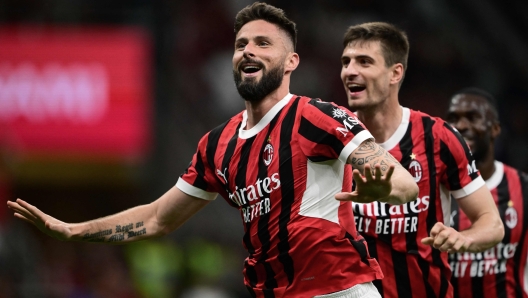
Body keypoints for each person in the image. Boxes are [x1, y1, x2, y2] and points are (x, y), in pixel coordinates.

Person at [7, 3, 419, 297]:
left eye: (263, 43)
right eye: (241, 44)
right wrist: (74, 230)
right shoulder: (216, 146)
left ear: (291, 61)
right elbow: (155, 219)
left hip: (337, 291)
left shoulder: (316, 116)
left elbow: (403, 184)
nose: (248, 52)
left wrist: (380, 190)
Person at [339, 22, 504, 298]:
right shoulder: (332, 137)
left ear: (395, 73)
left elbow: (492, 223)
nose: (350, 71)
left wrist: (463, 238)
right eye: (346, 62)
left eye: (364, 62)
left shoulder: (438, 137)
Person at [445, 87, 528, 298]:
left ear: (495, 129)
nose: (461, 126)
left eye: (473, 118)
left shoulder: (523, 187)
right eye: (454, 119)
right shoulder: (435, 188)